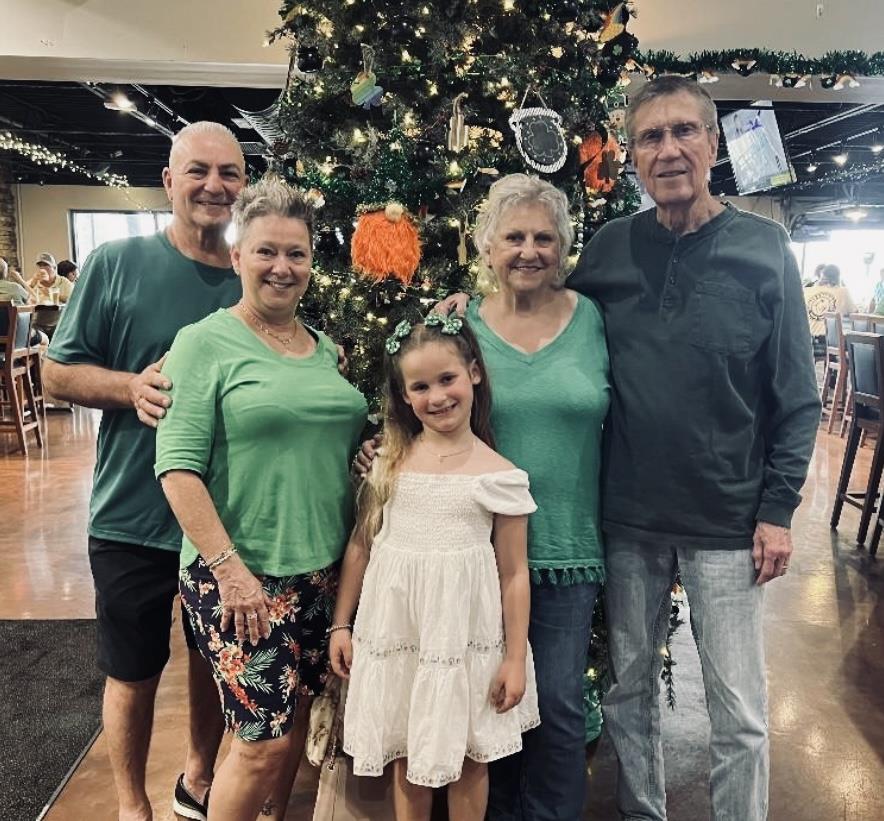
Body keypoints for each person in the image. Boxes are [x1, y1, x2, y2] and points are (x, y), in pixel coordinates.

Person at [566, 76, 820, 821]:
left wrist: (778, 508)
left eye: (684, 131)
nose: (669, 148)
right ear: (633, 156)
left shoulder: (764, 248)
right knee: (627, 690)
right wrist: (469, 308)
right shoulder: (610, 248)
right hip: (628, 516)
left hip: (729, 521)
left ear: (713, 144)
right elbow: (548, 321)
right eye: (651, 136)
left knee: (738, 709)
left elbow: (797, 396)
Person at [358, 173, 610, 820]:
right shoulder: (457, 322)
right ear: (488, 247)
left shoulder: (593, 322)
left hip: (563, 547)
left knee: (554, 706)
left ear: (564, 248)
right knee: (481, 707)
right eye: (513, 236)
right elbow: (418, 401)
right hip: (467, 558)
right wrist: (382, 454)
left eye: (544, 238)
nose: (529, 250)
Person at [43, 121, 248, 821]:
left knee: (210, 661)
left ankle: (198, 777)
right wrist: (129, 388)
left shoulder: (255, 279)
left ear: (243, 186)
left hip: (222, 522)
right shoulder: (116, 264)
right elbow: (54, 373)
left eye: (229, 172)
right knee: (131, 668)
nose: (214, 185)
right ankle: (131, 805)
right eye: (198, 171)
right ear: (169, 181)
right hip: (130, 513)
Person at [156, 176, 367, 821]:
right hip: (242, 578)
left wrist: (361, 453)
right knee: (260, 745)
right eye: (266, 251)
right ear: (237, 255)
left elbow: (329, 438)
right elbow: (177, 470)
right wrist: (231, 573)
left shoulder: (324, 348)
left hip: (322, 571)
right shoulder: (204, 344)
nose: (283, 267)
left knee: (295, 727)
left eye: (297, 254)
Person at [331, 316, 539, 821]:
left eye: (446, 379)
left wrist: (513, 659)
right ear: (404, 396)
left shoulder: (498, 474)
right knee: (408, 754)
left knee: (470, 757)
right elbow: (362, 544)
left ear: (473, 374)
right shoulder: (388, 461)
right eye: (420, 386)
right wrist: (342, 623)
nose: (437, 396)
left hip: (464, 643)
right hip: (401, 634)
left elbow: (514, 574)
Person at [804, 263, 856, 353]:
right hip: (829, 342)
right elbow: (856, 315)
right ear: (837, 277)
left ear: (822, 275)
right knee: (857, 346)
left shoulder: (807, 291)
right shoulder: (843, 291)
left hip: (807, 340)